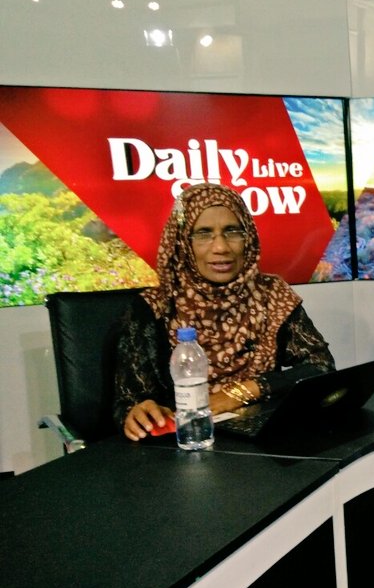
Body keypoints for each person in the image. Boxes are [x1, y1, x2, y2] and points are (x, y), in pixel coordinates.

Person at [114, 182, 335, 440]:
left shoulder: (271, 294)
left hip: (262, 438)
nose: (221, 247)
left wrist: (239, 393)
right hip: (188, 444)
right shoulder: (155, 308)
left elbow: (321, 366)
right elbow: (127, 402)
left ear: (248, 237)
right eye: (203, 233)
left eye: (232, 231)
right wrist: (137, 412)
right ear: (182, 242)